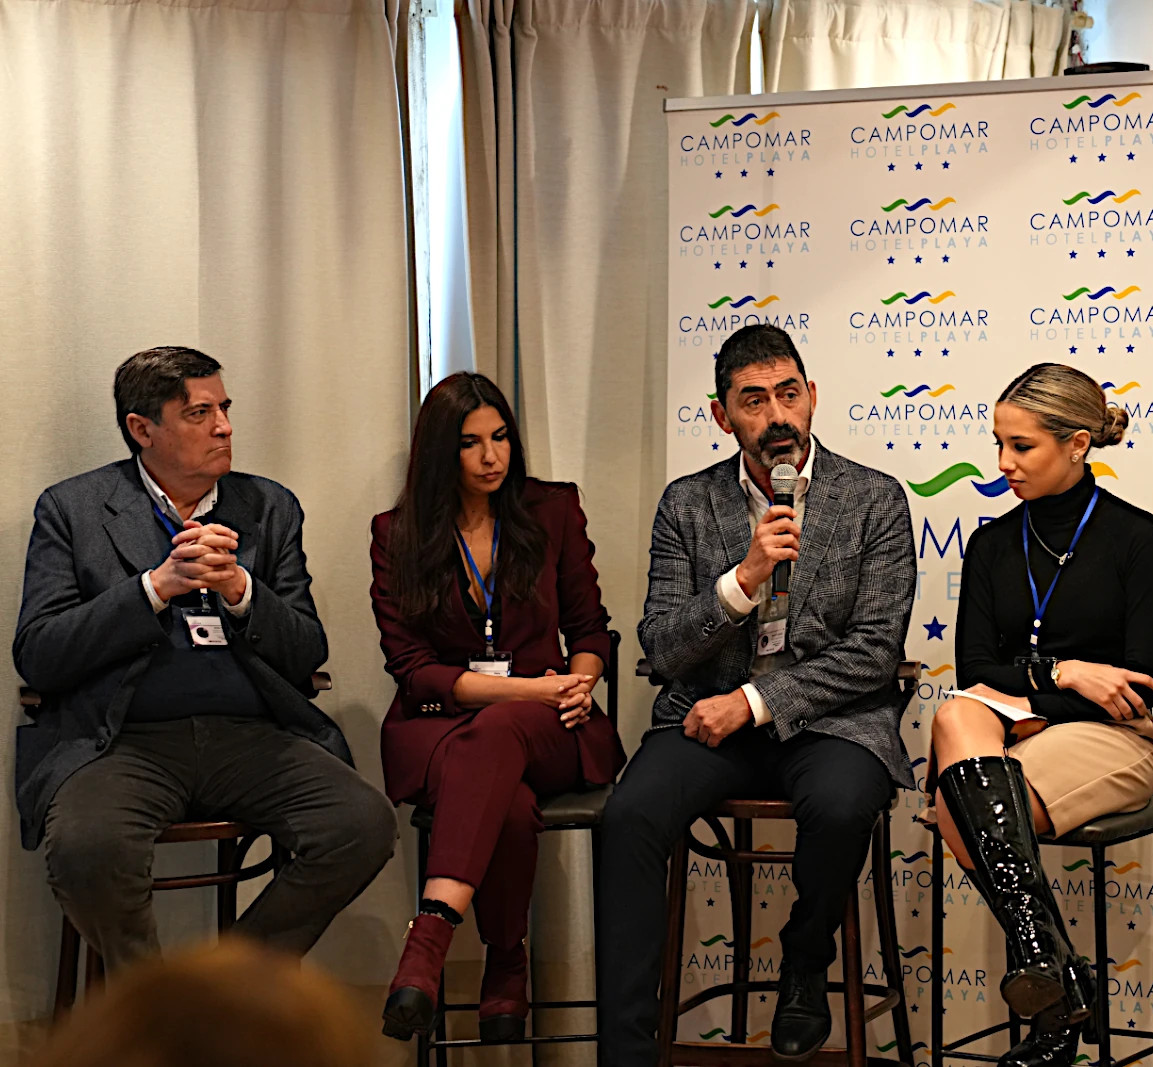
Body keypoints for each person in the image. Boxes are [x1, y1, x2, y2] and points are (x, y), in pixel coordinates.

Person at [12, 345, 395, 971]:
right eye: (198, 413)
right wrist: (155, 587)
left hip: (250, 736)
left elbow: (307, 651)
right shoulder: (74, 509)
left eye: (224, 408)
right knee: (87, 847)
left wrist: (240, 591)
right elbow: (40, 654)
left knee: (360, 824)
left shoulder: (269, 507)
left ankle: (222, 988)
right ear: (143, 429)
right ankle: (157, 1016)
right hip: (123, 740)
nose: (224, 427)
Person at [598, 324, 916, 1063]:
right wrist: (740, 584)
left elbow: (874, 651)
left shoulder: (874, 500)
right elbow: (663, 645)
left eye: (788, 394)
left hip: (833, 722)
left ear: (812, 399)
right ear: (721, 416)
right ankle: (626, 1051)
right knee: (630, 815)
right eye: (753, 400)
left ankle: (805, 963)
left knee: (841, 805)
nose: (776, 415)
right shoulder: (687, 503)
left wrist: (757, 702)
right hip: (709, 722)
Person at [927, 364, 1153, 1067]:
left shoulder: (1135, 537)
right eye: (998, 443)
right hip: (1006, 730)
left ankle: (1057, 993)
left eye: (1022, 447)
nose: (1003, 463)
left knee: (958, 804)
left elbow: (1140, 685)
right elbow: (976, 669)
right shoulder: (991, 544)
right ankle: (1059, 976)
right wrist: (1064, 673)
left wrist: (1037, 699)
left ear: (1076, 443)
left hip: (1111, 738)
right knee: (955, 715)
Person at [370, 371, 625, 1043]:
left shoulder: (552, 509)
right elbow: (415, 671)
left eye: (501, 437)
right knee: (505, 797)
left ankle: (428, 938)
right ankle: (506, 961)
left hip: (551, 726)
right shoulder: (396, 534)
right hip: (444, 726)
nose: (492, 457)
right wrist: (534, 687)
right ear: (438, 455)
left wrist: (580, 680)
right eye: (471, 443)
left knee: (505, 727)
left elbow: (590, 626)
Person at [31, 939, 377, 1067]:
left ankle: (219, 981)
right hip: (101, 780)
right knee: (87, 845)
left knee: (363, 823)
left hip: (256, 776)